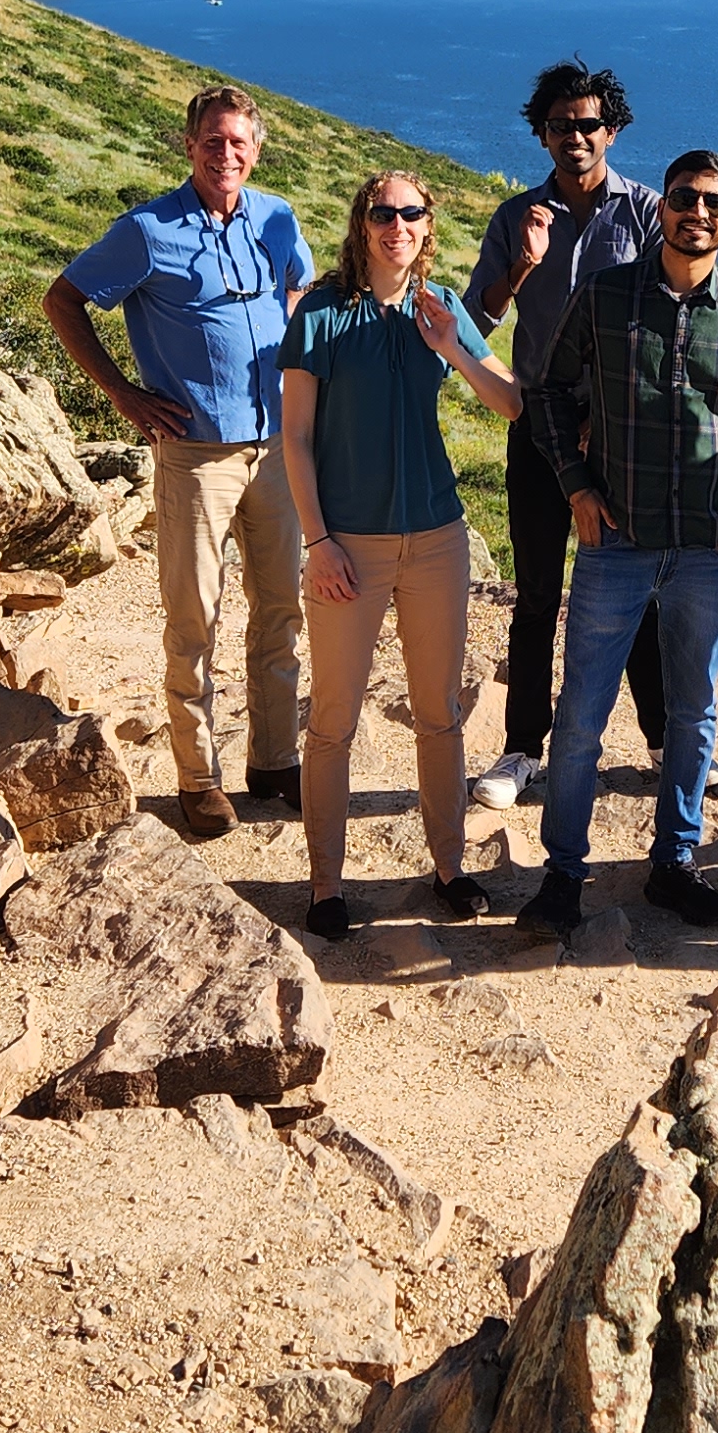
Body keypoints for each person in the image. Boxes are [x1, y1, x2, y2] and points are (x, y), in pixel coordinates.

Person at [523, 148, 718, 937]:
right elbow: (546, 390)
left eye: (714, 202)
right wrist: (575, 483)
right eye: (684, 197)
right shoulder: (606, 296)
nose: (697, 213)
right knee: (580, 716)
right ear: (664, 207)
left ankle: (674, 863)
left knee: (693, 711)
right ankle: (563, 875)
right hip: (616, 540)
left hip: (708, 548)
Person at [43, 85, 314, 838]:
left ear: (256, 148)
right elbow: (61, 302)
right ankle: (199, 779)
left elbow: (298, 283)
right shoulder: (145, 231)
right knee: (196, 618)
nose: (226, 154)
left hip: (276, 447)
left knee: (280, 612)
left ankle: (274, 761)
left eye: (239, 142)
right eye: (212, 141)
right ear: (188, 146)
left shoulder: (278, 216)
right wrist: (125, 395)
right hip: (195, 455)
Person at [278, 170, 515, 940]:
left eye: (412, 213)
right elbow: (298, 438)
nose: (399, 226)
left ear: (426, 225)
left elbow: (508, 402)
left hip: (438, 540)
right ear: (363, 222)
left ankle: (449, 867)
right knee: (333, 720)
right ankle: (324, 886)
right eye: (385, 213)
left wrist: (454, 345)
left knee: (440, 715)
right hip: (348, 545)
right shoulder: (320, 312)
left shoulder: (438, 306)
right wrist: (317, 541)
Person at [461, 58, 666, 806]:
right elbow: (476, 318)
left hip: (620, 431)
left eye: (587, 125)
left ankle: (663, 740)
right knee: (539, 594)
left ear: (610, 131)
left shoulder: (646, 213)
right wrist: (520, 267)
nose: (574, 137)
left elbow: (669, 314)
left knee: (636, 593)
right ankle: (521, 750)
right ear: (541, 135)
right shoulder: (518, 217)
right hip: (542, 426)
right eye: (559, 126)